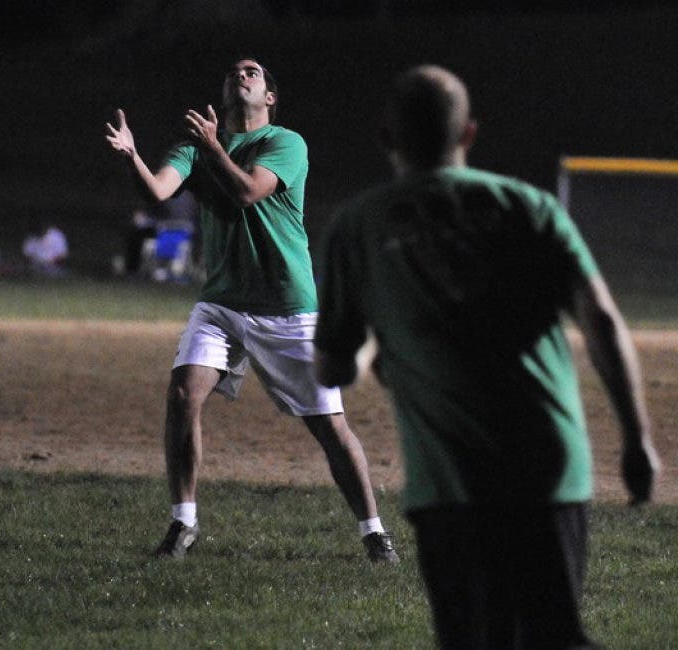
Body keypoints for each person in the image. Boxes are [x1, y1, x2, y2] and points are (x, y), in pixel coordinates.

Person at [314, 65, 660, 648]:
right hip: (551, 469)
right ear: (468, 133)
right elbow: (600, 319)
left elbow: (333, 369)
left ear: (385, 137)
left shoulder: (358, 227)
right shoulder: (529, 206)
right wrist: (636, 439)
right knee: (554, 635)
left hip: (450, 484)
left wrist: (381, 342)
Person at [105, 58, 398, 562]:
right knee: (182, 394)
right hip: (222, 303)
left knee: (329, 424)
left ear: (270, 98)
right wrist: (132, 156)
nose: (241, 76)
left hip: (287, 305)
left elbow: (247, 191)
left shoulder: (285, 144)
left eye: (253, 73)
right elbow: (157, 192)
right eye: (234, 73)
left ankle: (373, 532)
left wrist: (214, 147)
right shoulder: (197, 146)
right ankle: (184, 523)